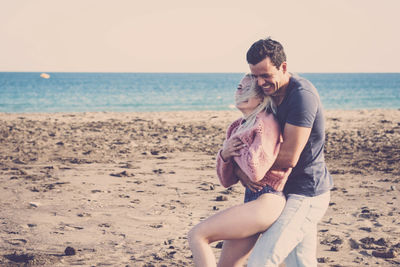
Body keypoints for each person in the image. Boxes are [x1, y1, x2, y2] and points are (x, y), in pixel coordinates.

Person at [236, 37, 334, 266]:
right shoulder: (269, 92)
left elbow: (289, 157)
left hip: (307, 193)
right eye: (255, 76)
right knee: (300, 263)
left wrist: (246, 170)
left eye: (266, 75)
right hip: (282, 192)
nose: (260, 83)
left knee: (261, 261)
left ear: (284, 67)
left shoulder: (301, 96)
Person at [188, 74, 291, 267]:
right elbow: (226, 180)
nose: (240, 92)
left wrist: (236, 163)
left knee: (197, 235)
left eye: (248, 89)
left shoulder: (265, 123)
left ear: (261, 98)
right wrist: (225, 155)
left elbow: (255, 171)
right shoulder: (238, 126)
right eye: (239, 87)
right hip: (252, 200)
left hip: (268, 201)